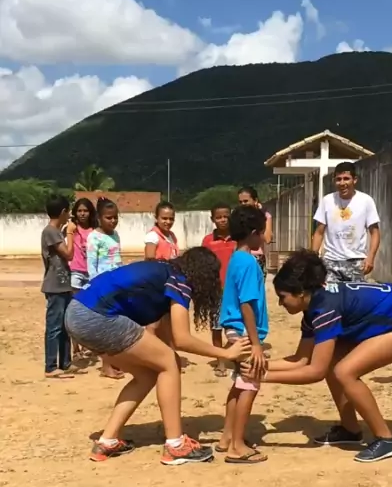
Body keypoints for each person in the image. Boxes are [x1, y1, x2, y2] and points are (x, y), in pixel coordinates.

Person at [242, 250, 392, 464]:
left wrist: (262, 377)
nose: (280, 303)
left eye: (282, 297)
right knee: (333, 361)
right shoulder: (313, 308)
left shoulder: (325, 309)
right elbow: (301, 359)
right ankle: (351, 430)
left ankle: (385, 440)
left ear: (301, 293)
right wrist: (258, 366)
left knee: (345, 372)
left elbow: (315, 372)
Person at [65, 249, 250, 465]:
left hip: (76, 314)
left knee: (148, 375)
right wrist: (226, 353)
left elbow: (167, 336)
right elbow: (182, 339)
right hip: (96, 317)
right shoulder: (179, 280)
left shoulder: (164, 275)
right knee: (169, 362)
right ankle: (176, 446)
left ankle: (108, 440)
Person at [217, 206, 269, 465]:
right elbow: (247, 303)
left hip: (235, 329)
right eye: (262, 232)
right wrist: (256, 343)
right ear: (254, 233)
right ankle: (237, 446)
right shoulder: (248, 262)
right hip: (244, 331)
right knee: (251, 382)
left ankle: (227, 437)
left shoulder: (236, 258)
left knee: (239, 384)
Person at [311, 162, 380, 282]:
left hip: (356, 262)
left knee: (355, 294)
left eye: (346, 178)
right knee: (330, 293)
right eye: (338, 179)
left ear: (355, 180)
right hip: (331, 262)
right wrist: (312, 259)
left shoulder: (366, 201)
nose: (342, 183)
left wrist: (371, 258)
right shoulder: (327, 201)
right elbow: (319, 232)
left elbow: (375, 233)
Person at [86, 197, 124, 379]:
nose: (113, 221)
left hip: (117, 285)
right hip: (103, 287)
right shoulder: (94, 237)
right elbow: (91, 265)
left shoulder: (115, 235)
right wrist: (96, 287)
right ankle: (106, 366)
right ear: (99, 218)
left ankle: (115, 362)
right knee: (105, 327)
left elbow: (117, 259)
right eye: (109, 217)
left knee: (116, 325)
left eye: (115, 217)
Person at [41, 194, 77, 380]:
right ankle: (51, 366)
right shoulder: (50, 232)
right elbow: (68, 254)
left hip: (63, 285)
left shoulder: (55, 232)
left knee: (65, 326)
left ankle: (65, 363)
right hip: (55, 286)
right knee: (54, 327)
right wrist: (70, 233)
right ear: (63, 212)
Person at [202, 203, 236, 377]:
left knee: (236, 327)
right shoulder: (208, 241)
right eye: (218, 217)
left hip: (235, 291)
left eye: (226, 216)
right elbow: (203, 265)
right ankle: (220, 360)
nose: (223, 220)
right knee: (216, 327)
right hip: (215, 290)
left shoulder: (238, 238)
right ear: (213, 219)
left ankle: (236, 358)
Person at [70, 198, 96, 358]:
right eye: (79, 211)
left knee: (89, 311)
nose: (82, 214)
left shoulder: (95, 231)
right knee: (75, 310)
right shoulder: (71, 229)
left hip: (91, 274)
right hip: (75, 272)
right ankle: (75, 347)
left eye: (85, 210)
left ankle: (87, 345)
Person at [238, 186, 272, 280]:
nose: (243, 204)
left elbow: (267, 239)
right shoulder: (238, 217)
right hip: (241, 255)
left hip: (257, 256)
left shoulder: (265, 216)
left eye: (246, 201)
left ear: (255, 200)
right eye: (240, 202)